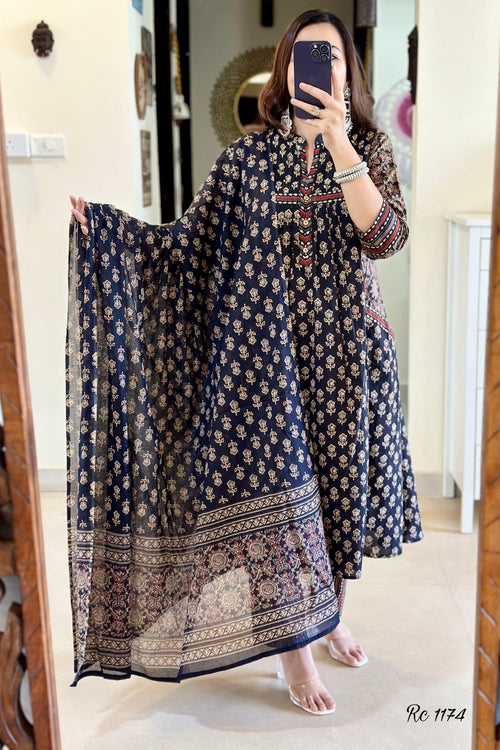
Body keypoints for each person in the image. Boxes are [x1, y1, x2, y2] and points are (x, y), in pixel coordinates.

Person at [68, 9, 423, 717]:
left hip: (350, 356)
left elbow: (385, 237)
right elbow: (186, 246)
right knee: (280, 502)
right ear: (285, 70)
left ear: (347, 72)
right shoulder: (246, 160)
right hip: (267, 365)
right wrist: (108, 229)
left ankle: (327, 616)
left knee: (336, 500)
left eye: (331, 55)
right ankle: (294, 649)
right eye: (304, 55)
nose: (318, 66)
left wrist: (339, 144)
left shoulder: (371, 147)